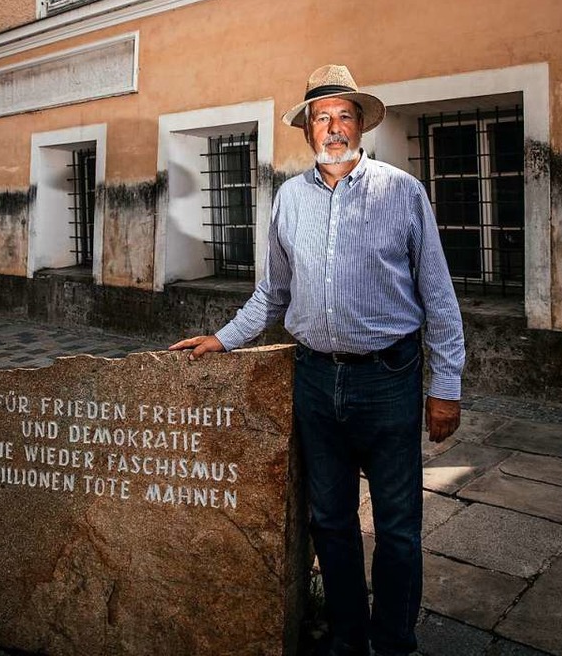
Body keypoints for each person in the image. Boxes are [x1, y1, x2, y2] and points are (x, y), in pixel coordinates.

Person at [170, 64, 465, 656]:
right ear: (307, 130)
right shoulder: (288, 198)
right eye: (321, 118)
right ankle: (349, 636)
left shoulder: (402, 192)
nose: (333, 128)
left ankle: (395, 641)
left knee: (399, 528)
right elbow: (272, 293)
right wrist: (223, 339)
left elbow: (438, 295)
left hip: (389, 379)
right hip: (314, 379)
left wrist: (447, 385)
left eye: (344, 116)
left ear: (361, 124)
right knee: (329, 521)